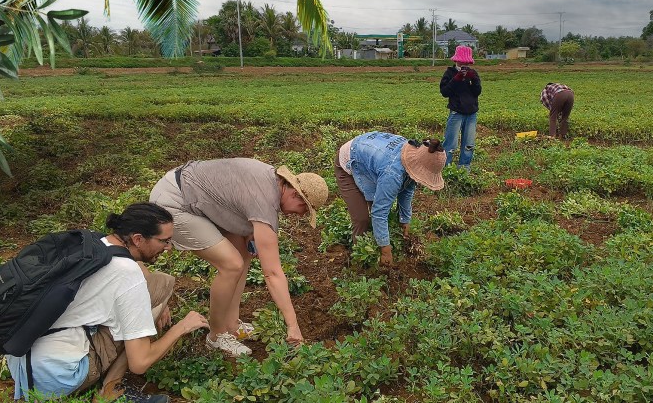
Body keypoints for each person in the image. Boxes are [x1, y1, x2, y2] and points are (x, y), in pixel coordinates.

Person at [6, 203, 209, 403]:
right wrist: (182, 327)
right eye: (164, 241)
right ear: (138, 239)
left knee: (159, 283)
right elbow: (140, 363)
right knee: (140, 326)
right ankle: (110, 389)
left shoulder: (94, 243)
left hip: (22, 363)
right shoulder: (128, 277)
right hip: (59, 378)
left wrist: (159, 302)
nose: (168, 248)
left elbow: (139, 270)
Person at [150, 159, 328, 356]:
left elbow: (237, 198)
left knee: (243, 254)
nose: (300, 216)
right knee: (232, 264)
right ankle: (216, 336)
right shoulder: (264, 203)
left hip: (188, 188)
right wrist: (293, 326)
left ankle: (231, 325)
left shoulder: (271, 180)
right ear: (295, 194)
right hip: (174, 203)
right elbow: (272, 273)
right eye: (304, 210)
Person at [335, 132, 446, 266]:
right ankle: (359, 260)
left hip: (370, 158)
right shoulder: (392, 174)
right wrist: (386, 250)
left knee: (375, 205)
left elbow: (407, 190)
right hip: (348, 161)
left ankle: (373, 244)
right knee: (361, 218)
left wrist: (405, 219)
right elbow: (379, 213)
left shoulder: (413, 156)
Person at [440, 45, 481, 167]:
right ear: (456, 60)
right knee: (450, 143)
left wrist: (473, 80)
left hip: (471, 113)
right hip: (456, 112)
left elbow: (477, 92)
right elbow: (444, 92)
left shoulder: (473, 73)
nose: (464, 64)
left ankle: (464, 168)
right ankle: (446, 167)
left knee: (469, 144)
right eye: (462, 61)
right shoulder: (449, 73)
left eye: (466, 61)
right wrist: (456, 79)